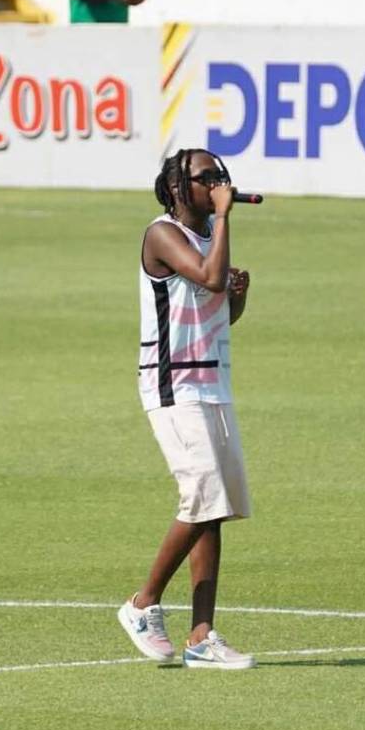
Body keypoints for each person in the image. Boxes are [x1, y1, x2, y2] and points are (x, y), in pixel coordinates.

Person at [118, 148, 256, 670]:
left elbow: (217, 303)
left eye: (221, 176)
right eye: (207, 177)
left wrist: (238, 297)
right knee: (200, 492)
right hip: (173, 385)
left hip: (212, 382)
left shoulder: (208, 240)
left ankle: (202, 636)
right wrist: (223, 217)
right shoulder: (162, 234)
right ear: (179, 186)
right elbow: (208, 276)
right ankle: (142, 603)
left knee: (214, 507)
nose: (219, 182)